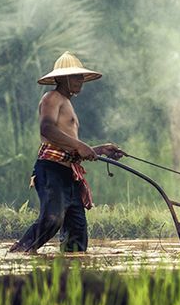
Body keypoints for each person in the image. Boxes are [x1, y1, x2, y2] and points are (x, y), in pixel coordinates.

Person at [9, 51, 125, 253]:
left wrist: (100, 149)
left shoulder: (67, 104)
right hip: (51, 170)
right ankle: (17, 255)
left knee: (77, 234)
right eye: (75, 76)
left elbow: (70, 148)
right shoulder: (52, 97)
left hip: (68, 174)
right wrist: (80, 145)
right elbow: (46, 129)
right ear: (62, 78)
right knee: (52, 218)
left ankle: (70, 268)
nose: (80, 80)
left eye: (81, 76)